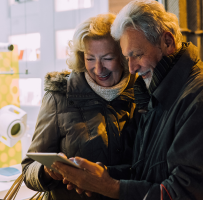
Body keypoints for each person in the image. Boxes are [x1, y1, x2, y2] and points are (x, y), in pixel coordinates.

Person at [52, 1, 203, 200]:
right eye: (127, 58)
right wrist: (103, 176)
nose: (132, 68)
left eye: (137, 55)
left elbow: (187, 194)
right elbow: (148, 173)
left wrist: (110, 186)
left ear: (168, 42)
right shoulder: (162, 92)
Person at [21, 13, 137, 200]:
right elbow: (28, 169)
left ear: (124, 56)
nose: (98, 69)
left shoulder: (142, 94)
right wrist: (46, 171)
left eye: (107, 58)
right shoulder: (59, 97)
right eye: (90, 58)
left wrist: (106, 177)